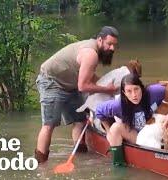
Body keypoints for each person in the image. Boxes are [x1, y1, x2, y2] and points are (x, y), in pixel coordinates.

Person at [35, 26, 119, 163]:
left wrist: (107, 85)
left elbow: (89, 77)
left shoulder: (93, 51)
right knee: (49, 124)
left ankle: (79, 158)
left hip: (70, 84)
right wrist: (107, 90)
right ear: (99, 40)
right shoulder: (91, 54)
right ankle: (41, 164)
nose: (112, 48)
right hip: (51, 82)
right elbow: (83, 86)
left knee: (80, 120)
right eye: (109, 44)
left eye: (114, 45)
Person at [96, 73, 168, 166]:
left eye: (136, 89)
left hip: (159, 128)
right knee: (115, 128)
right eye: (129, 91)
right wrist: (108, 131)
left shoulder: (154, 91)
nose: (134, 95)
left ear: (141, 88)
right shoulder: (118, 105)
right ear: (124, 93)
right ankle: (119, 164)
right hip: (137, 136)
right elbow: (99, 112)